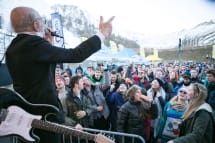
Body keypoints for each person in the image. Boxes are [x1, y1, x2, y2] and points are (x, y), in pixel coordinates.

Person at [6, 6, 114, 143]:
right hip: (43, 115)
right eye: (42, 21)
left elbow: (36, 74)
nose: (44, 25)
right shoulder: (34, 44)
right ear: (36, 25)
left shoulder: (13, 48)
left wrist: (48, 44)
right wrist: (101, 34)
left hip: (26, 115)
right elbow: (75, 55)